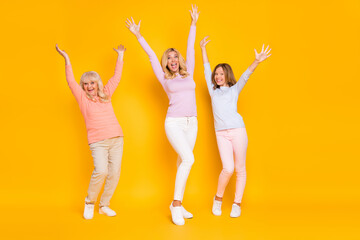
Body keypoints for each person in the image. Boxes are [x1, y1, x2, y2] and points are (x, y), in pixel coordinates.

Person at [125, 5, 199, 226]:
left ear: (180, 60)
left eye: (176, 57)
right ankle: (175, 204)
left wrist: (193, 24)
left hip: (192, 122)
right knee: (189, 159)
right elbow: (149, 55)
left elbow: (191, 47)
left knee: (181, 162)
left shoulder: (189, 73)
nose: (173, 60)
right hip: (174, 123)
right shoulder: (165, 79)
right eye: (169, 58)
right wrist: (138, 35)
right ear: (165, 62)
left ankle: (180, 202)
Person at [200, 36, 271, 217]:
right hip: (221, 134)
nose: (218, 76)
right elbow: (206, 67)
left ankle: (237, 204)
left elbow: (247, 75)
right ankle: (218, 199)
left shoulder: (234, 90)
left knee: (240, 168)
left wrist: (256, 61)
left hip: (238, 131)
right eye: (216, 74)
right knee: (228, 168)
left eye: (221, 74)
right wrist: (202, 48)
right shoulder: (212, 90)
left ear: (227, 76)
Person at [56, 44, 126, 219]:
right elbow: (71, 82)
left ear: (97, 83)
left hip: (116, 138)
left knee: (114, 173)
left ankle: (104, 205)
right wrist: (67, 59)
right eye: (86, 84)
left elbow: (116, 78)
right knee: (101, 171)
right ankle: (89, 202)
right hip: (98, 142)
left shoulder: (106, 94)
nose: (89, 86)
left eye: (92, 83)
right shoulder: (82, 99)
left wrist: (120, 56)